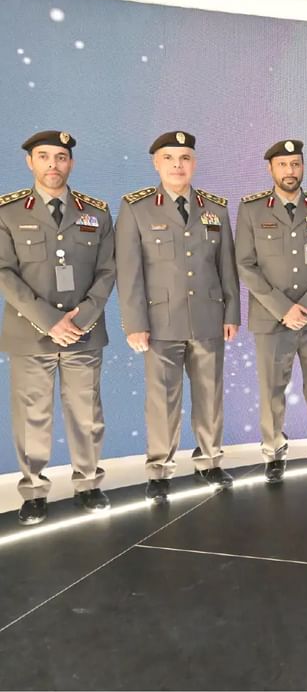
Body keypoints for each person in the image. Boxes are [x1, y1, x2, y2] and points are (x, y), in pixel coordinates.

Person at [116, 131, 240, 504]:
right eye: (169, 158)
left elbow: (227, 267)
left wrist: (232, 312)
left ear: (194, 163)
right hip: (160, 323)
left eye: (185, 158)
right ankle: (159, 470)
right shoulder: (136, 208)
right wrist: (134, 323)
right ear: (156, 163)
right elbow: (129, 272)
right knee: (162, 402)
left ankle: (210, 462)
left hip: (208, 317)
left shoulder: (215, 208)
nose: (177, 165)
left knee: (210, 397)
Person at [0, 130, 116, 525]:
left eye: (61, 157)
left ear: (71, 163)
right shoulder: (8, 212)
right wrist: (50, 321)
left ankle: (89, 484)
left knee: (87, 413)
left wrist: (80, 318)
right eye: (44, 156)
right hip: (30, 333)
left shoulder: (96, 212)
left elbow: (108, 270)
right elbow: (4, 272)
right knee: (32, 416)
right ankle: (34, 491)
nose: (53, 164)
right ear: (30, 162)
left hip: (84, 331)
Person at [235, 139, 307, 484]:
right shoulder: (252, 210)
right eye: (283, 164)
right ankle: (273, 452)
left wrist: (306, 306)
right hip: (271, 318)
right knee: (272, 390)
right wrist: (284, 309)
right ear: (270, 169)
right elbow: (245, 265)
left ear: (303, 167)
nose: (290, 171)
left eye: (295, 163)